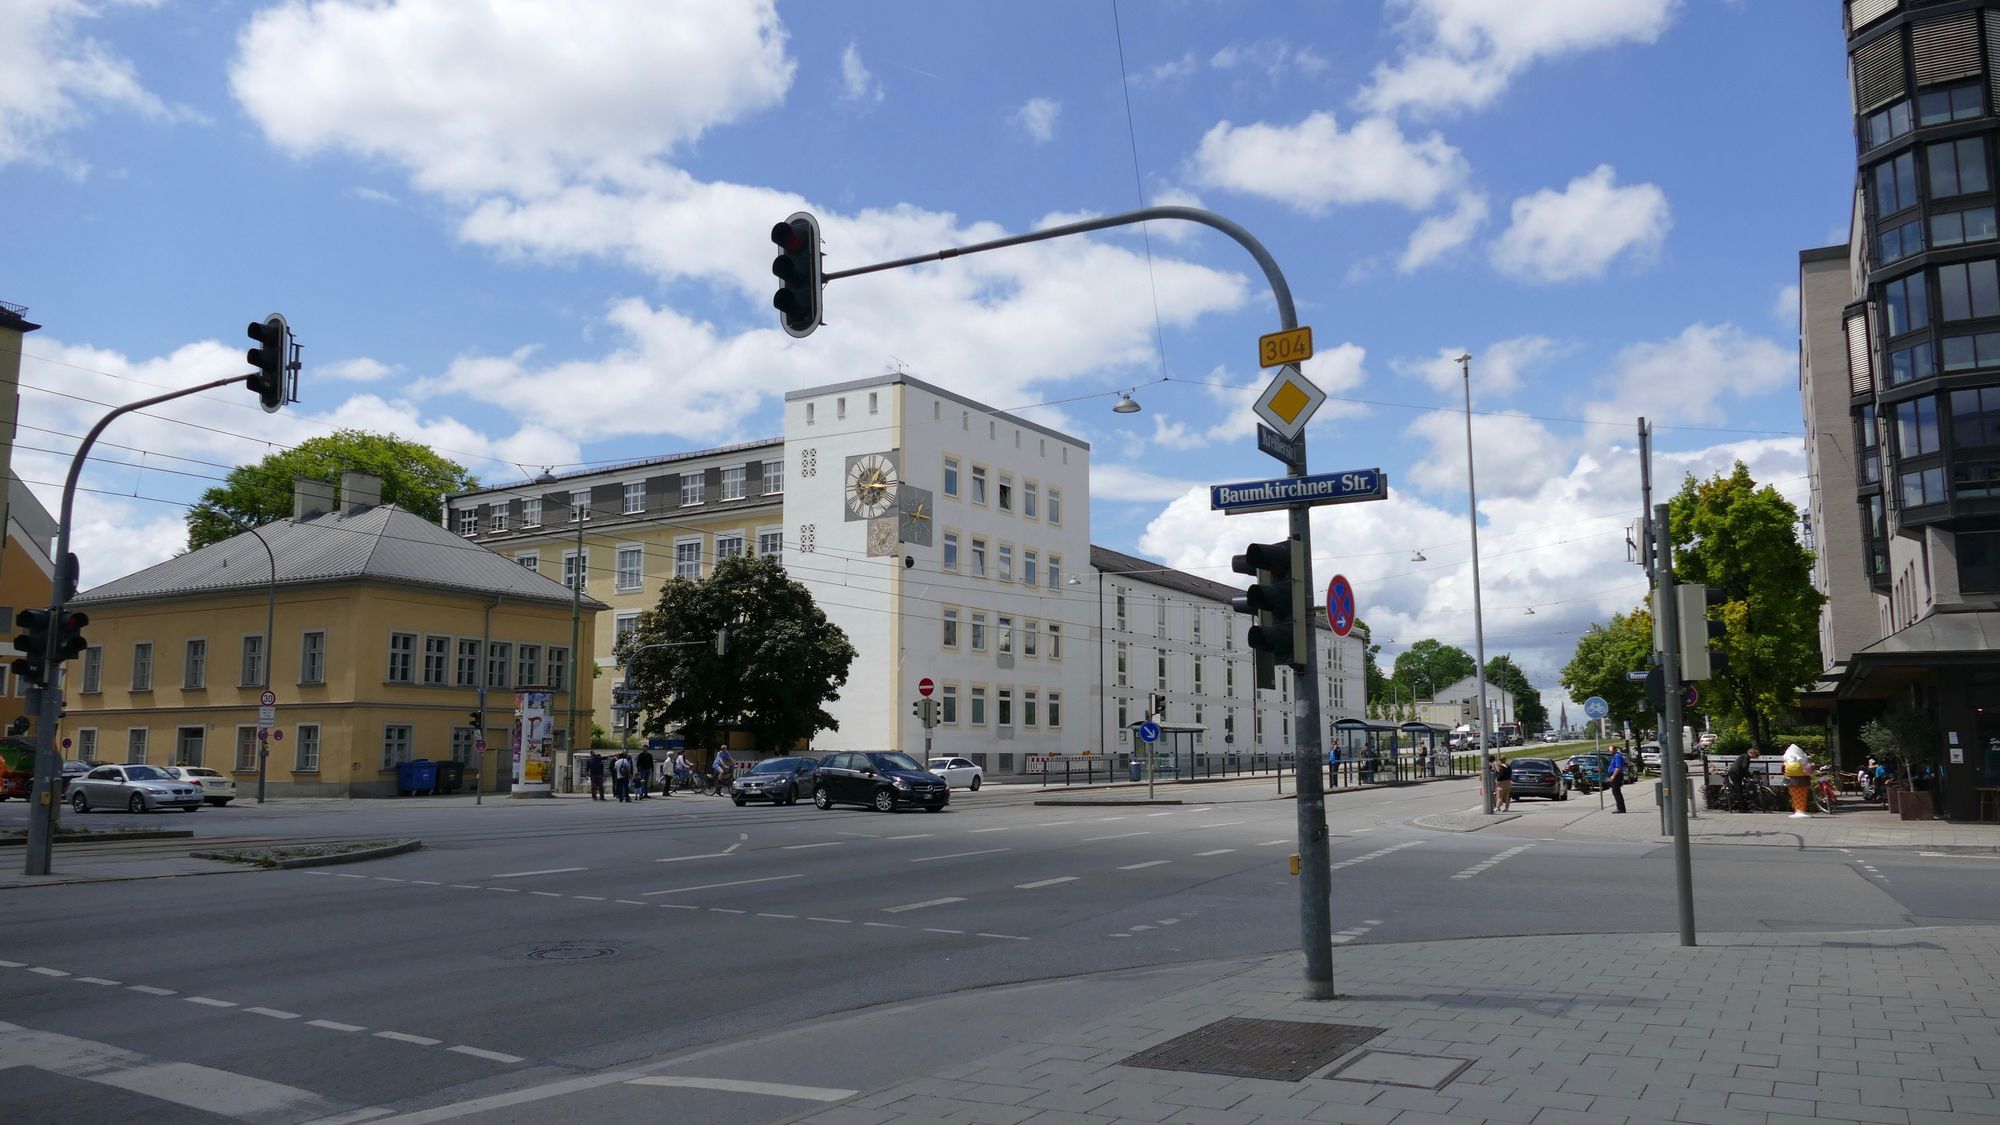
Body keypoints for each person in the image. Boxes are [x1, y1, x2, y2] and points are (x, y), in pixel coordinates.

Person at [1781, 743, 1811, 818]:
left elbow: (1783, 770)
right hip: (1803, 780)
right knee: (1802, 795)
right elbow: (1808, 771)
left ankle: (1798, 810)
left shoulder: (1787, 760)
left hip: (1791, 780)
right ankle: (1801, 810)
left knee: (1795, 795)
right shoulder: (1802, 758)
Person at [1606, 746, 1628, 813]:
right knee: (1616, 792)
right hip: (1615, 776)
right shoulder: (1615, 756)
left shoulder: (1617, 756)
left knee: (1616, 792)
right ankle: (1620, 808)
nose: (1609, 751)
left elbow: (1618, 768)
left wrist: (1613, 776)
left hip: (1617, 776)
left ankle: (1620, 808)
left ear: (1615, 750)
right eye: (1608, 750)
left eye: (1610, 750)